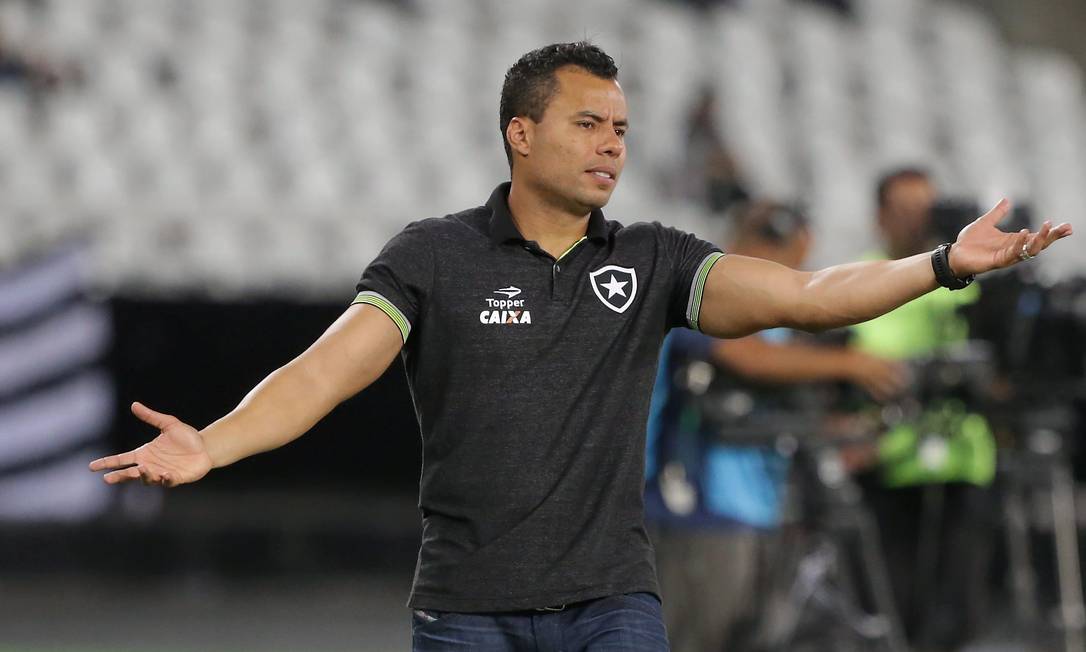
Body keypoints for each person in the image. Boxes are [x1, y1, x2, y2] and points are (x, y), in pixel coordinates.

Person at [88, 42, 1071, 651]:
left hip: (612, 603)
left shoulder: (654, 259)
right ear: (521, 134)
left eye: (623, 129)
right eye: (588, 123)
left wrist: (942, 263)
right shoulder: (434, 256)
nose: (612, 144)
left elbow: (810, 296)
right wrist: (213, 443)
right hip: (466, 609)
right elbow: (322, 372)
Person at [645, 200, 907, 652]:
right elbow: (746, 357)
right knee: (695, 638)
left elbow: (777, 398)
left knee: (754, 636)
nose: (794, 275)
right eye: (790, 260)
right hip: (697, 506)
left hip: (763, 509)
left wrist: (842, 429)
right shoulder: (699, 290)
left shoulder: (774, 318)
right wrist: (849, 363)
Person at [851, 168, 999, 650]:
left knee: (959, 611)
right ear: (880, 217)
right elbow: (862, 363)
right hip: (888, 462)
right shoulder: (859, 277)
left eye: (927, 208)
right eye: (906, 209)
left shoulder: (969, 276)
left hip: (963, 462)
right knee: (894, 610)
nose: (920, 220)